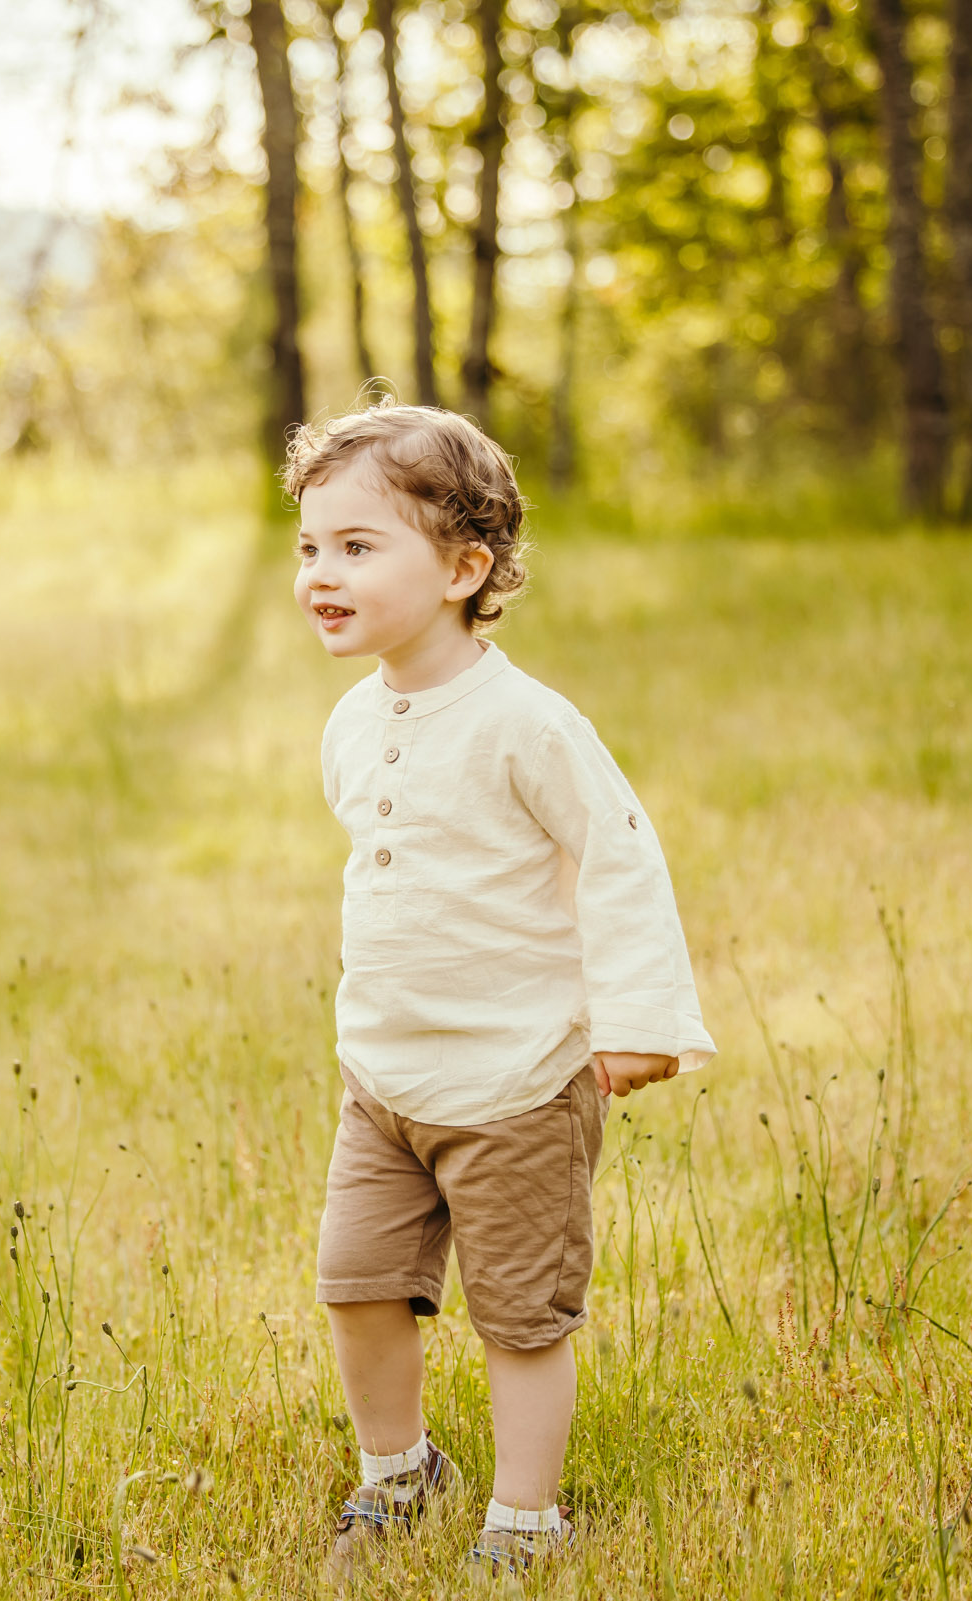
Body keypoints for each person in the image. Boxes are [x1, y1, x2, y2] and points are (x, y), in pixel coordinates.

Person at [287, 404, 714, 1576]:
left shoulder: (528, 723)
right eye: (310, 545)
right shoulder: (353, 721)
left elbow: (619, 853)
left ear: (466, 567)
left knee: (521, 1313)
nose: (321, 572)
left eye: (359, 546)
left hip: (517, 1080)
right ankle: (399, 1469)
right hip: (384, 1075)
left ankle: (526, 1514)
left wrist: (633, 1022)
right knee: (356, 1283)